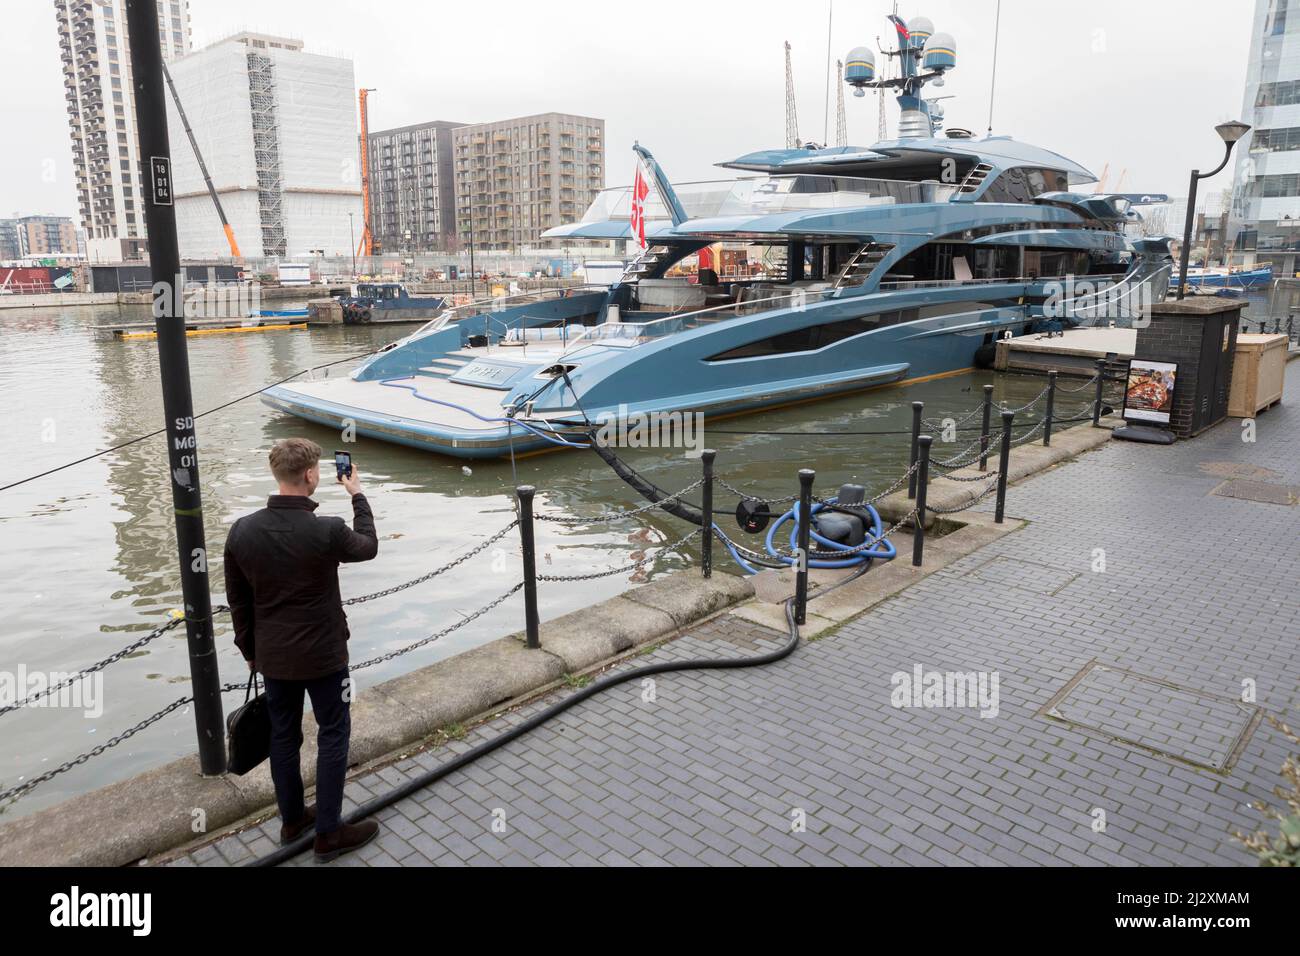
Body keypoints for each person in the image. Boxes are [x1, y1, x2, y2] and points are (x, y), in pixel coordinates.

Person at [223, 437, 381, 863]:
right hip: (325, 656)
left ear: (276, 474)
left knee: (283, 737)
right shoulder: (326, 530)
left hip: (273, 658)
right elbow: (368, 546)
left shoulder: (243, 530)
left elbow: (237, 600)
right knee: (333, 734)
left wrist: (250, 650)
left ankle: (293, 820)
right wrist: (358, 494)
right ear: (311, 474)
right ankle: (329, 833)